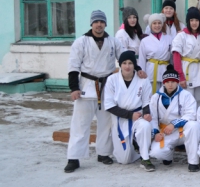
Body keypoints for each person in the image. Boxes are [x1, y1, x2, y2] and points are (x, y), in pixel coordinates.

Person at [65, 10, 124, 173]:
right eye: (96, 22)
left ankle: (103, 153)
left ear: (105, 24)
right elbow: (73, 66)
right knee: (80, 124)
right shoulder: (81, 42)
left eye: (102, 22)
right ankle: (74, 157)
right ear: (91, 23)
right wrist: (74, 88)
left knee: (106, 123)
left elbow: (124, 58)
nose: (99, 25)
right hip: (86, 86)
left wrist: (137, 68)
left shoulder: (113, 42)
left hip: (107, 86)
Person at [103, 50, 153, 170]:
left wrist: (146, 113)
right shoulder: (112, 79)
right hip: (120, 117)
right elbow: (109, 105)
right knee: (124, 160)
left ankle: (145, 158)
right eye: (124, 63)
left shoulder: (143, 79)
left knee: (145, 126)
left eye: (130, 63)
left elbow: (146, 101)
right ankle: (135, 144)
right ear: (120, 64)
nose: (127, 66)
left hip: (138, 115)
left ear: (134, 64)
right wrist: (129, 115)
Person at [148, 64, 200, 170]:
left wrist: (174, 124)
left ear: (177, 82)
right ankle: (168, 155)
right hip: (165, 131)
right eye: (167, 82)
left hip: (182, 131)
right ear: (164, 83)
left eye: (173, 81)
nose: (170, 84)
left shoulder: (186, 95)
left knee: (193, 125)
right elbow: (153, 117)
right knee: (156, 153)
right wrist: (156, 133)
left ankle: (193, 162)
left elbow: (191, 114)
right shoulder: (155, 97)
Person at [171, 7, 200, 106]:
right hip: (186, 71)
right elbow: (176, 57)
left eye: (196, 20)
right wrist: (181, 77)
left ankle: (199, 116)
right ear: (188, 21)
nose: (194, 23)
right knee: (187, 101)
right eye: (191, 20)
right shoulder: (181, 36)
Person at [139, 13, 173, 94]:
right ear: (150, 25)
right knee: (152, 95)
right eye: (154, 23)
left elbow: (172, 57)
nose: (157, 25)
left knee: (166, 94)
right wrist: (142, 73)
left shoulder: (169, 38)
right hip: (151, 71)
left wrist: (172, 71)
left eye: (159, 23)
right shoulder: (145, 41)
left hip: (165, 70)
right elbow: (142, 59)